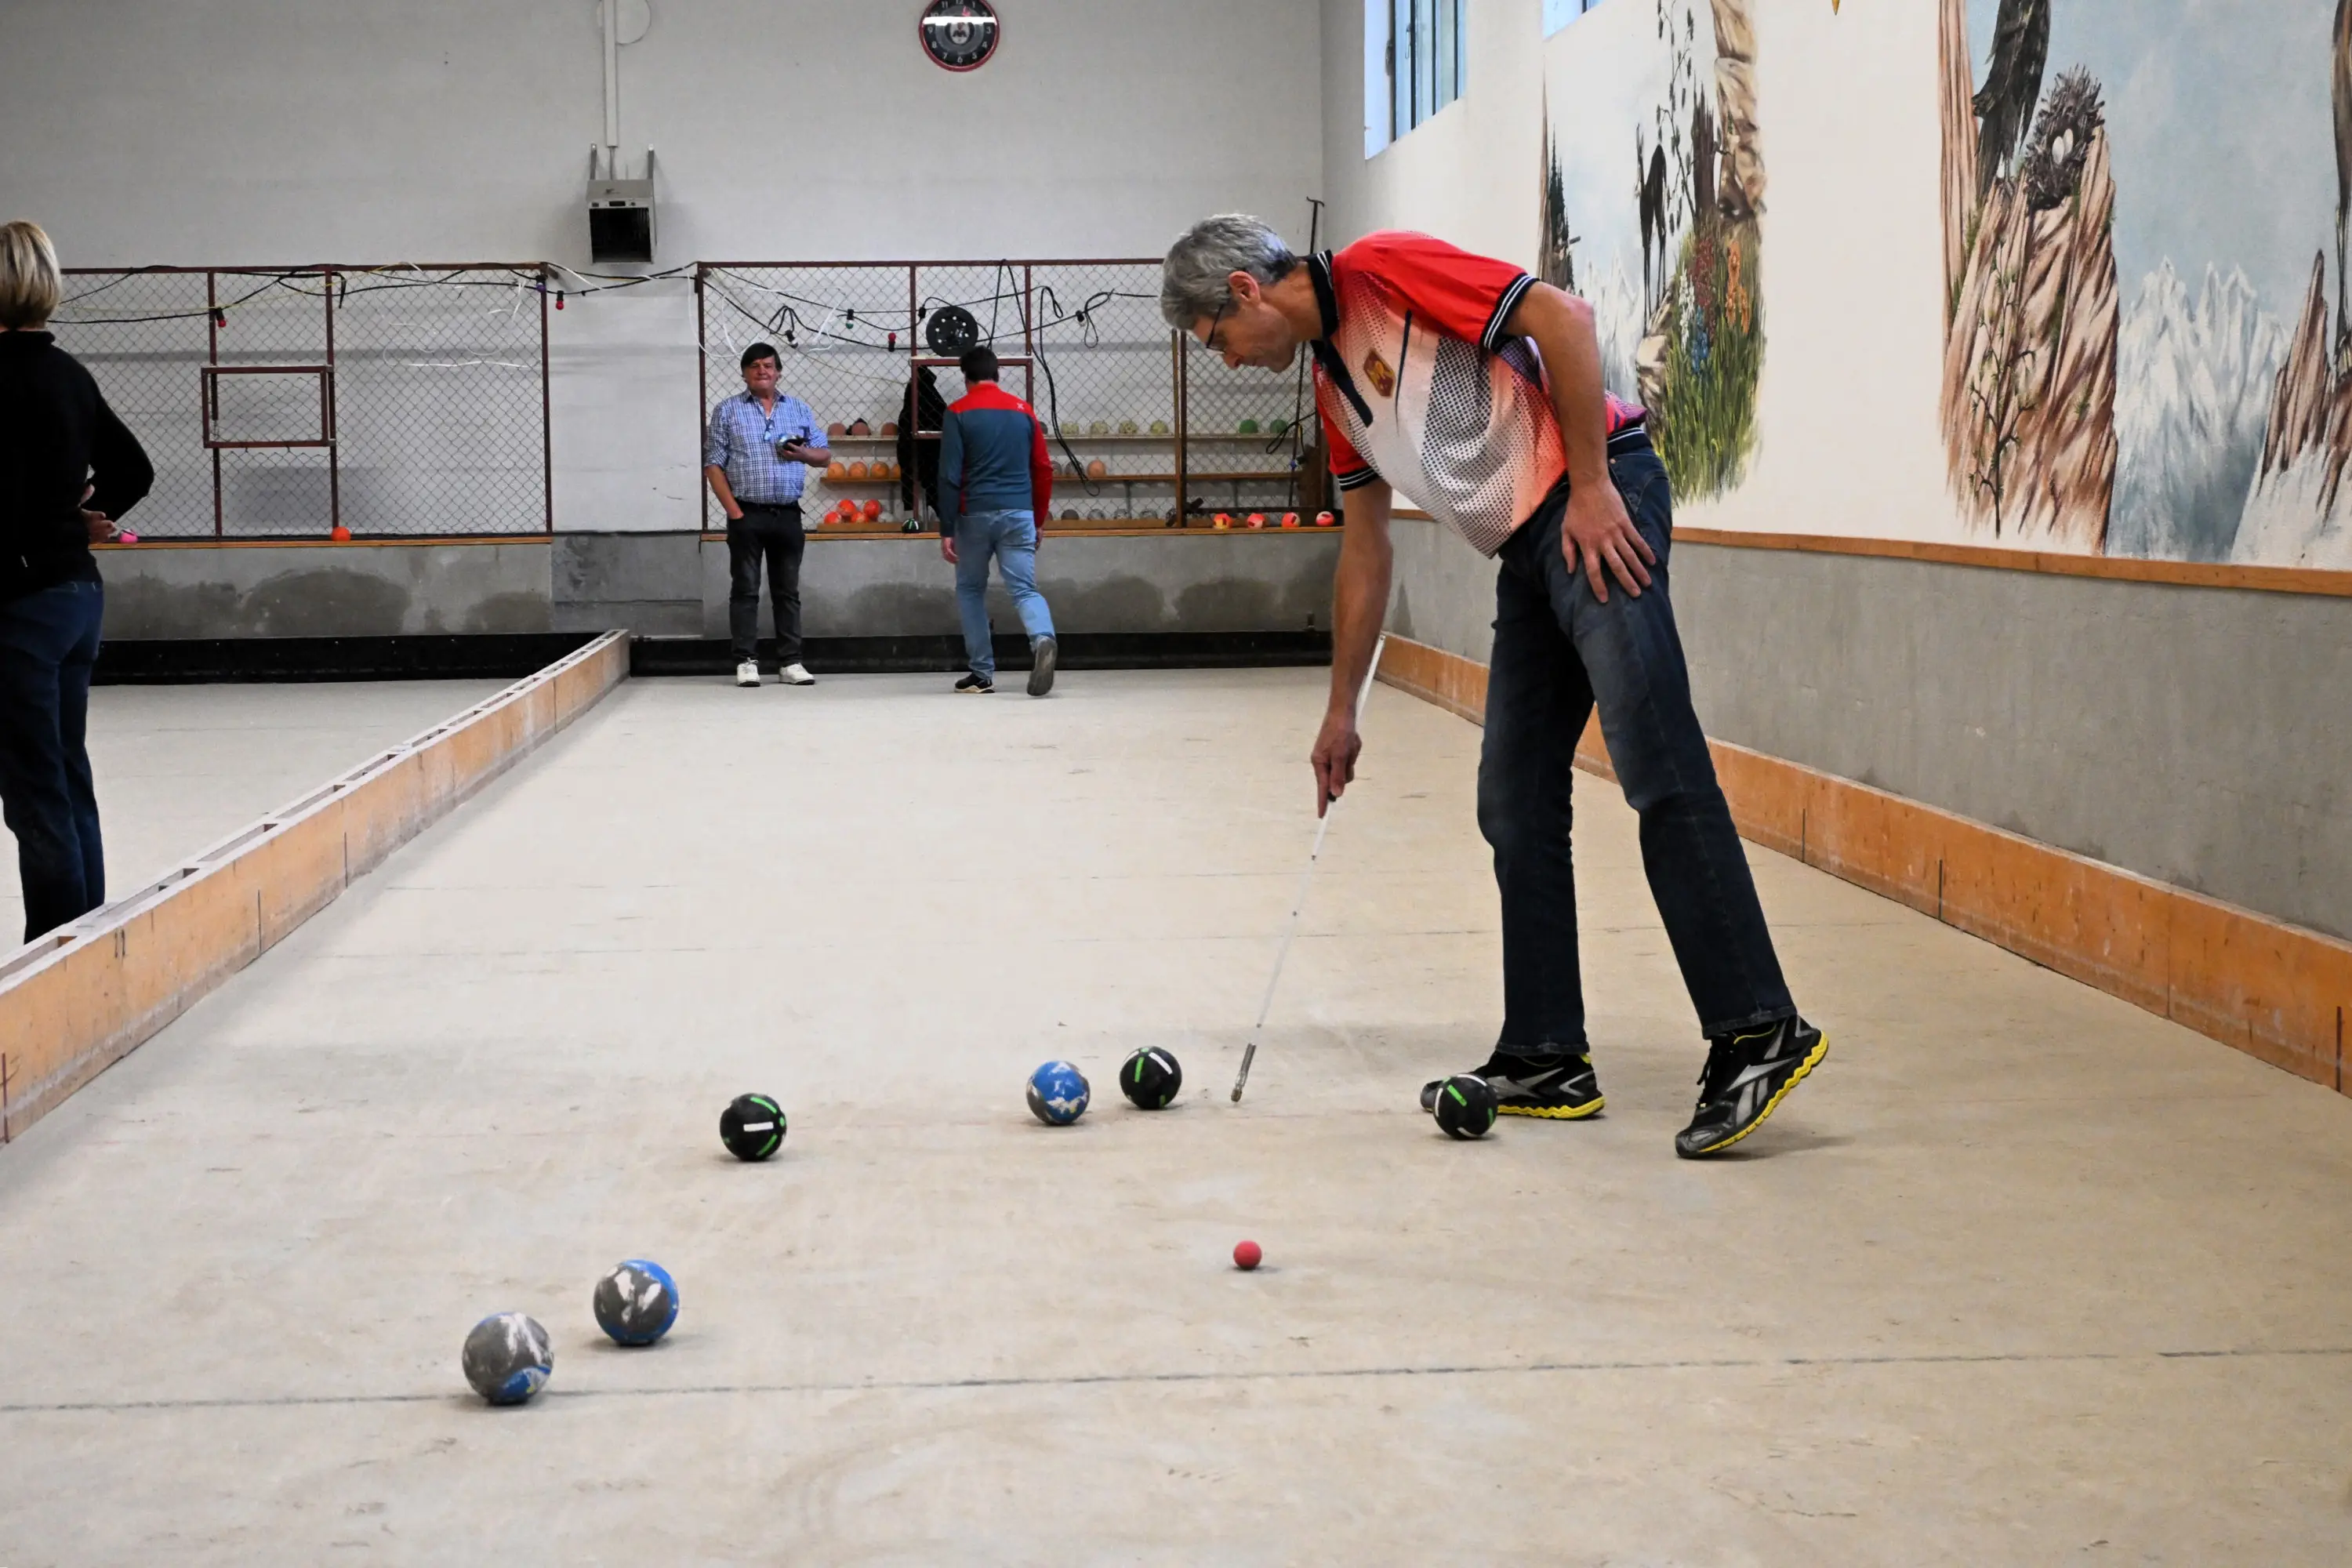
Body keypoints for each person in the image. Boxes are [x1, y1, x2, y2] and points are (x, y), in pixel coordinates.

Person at [1160, 215, 1827, 1160]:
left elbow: (1561, 319)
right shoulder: (1332, 387)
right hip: (1525, 545)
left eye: (1216, 341)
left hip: (1599, 500)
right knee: (1513, 798)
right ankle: (1547, 1051)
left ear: (1243, 291)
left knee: (1656, 759)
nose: (1224, 361)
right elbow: (1366, 549)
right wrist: (1342, 708)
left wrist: (1594, 485)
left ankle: (1758, 1027)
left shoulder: (1381, 271)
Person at [0, 220, 152, 943]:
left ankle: (57, 961)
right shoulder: (69, 374)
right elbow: (134, 470)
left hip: (21, 608)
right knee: (65, 775)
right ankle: (89, 940)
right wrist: (89, 515)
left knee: (35, 794)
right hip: (75, 597)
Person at [937, 345, 1058, 696]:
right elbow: (1043, 468)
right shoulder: (1024, 411)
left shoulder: (958, 411)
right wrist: (1037, 519)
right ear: (998, 375)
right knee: (1024, 589)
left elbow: (949, 475)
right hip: (1020, 512)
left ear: (965, 378)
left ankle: (981, 674)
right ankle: (1043, 639)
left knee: (971, 590)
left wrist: (947, 529)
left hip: (974, 514)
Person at [704, 342, 826, 688]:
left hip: (788, 514)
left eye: (769, 365)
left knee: (787, 590)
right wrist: (735, 513)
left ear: (778, 372)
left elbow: (825, 456)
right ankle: (746, 661)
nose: (763, 371)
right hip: (747, 514)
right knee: (745, 589)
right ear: (744, 372)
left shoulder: (799, 409)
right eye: (755, 365)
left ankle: (791, 662)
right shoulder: (727, 411)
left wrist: (802, 454)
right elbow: (713, 465)